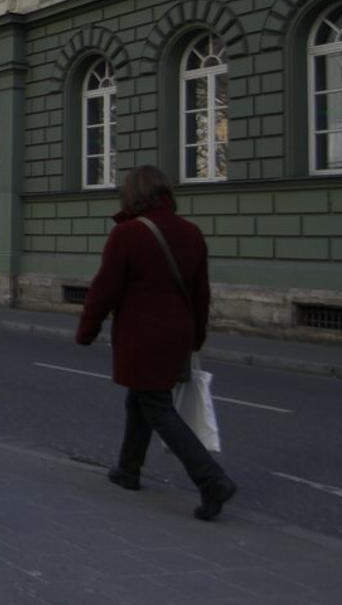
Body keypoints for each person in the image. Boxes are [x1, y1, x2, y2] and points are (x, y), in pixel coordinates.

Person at [75, 164, 238, 521]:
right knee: (142, 399)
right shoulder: (191, 233)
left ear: (133, 195)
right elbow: (201, 294)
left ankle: (212, 480)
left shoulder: (128, 234)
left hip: (142, 335)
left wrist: (87, 330)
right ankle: (128, 469)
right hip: (178, 334)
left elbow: (105, 290)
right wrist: (196, 336)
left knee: (156, 405)